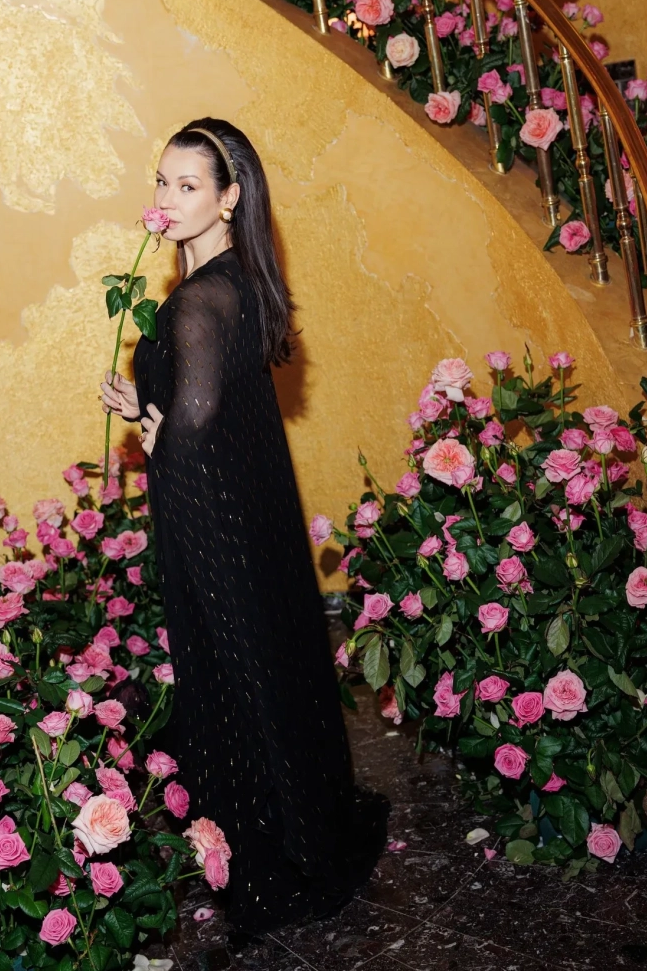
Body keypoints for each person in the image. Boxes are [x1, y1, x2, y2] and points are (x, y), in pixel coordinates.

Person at [99, 117, 389, 944]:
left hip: (214, 529)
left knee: (234, 679)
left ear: (229, 199)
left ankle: (268, 854)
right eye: (162, 181)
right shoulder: (241, 281)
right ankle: (301, 825)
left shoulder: (198, 299)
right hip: (249, 522)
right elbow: (214, 407)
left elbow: (191, 432)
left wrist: (158, 434)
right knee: (267, 666)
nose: (166, 198)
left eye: (188, 185)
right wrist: (148, 404)